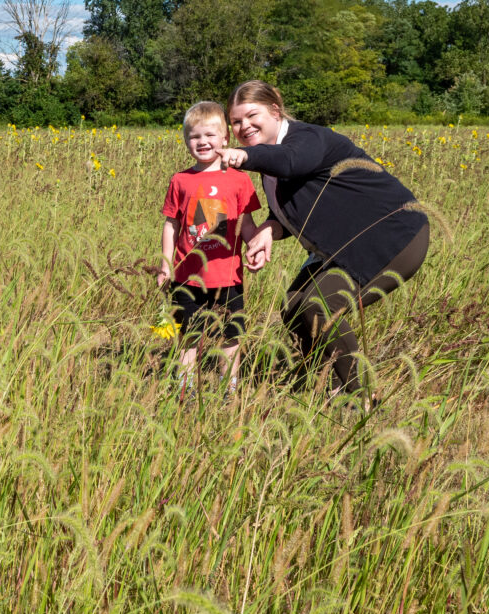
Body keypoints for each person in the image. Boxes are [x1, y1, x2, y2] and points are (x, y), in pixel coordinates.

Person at [219, 80, 429, 405]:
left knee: (319, 305)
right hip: (345, 248)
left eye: (251, 115)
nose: (243, 126)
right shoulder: (270, 164)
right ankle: (326, 387)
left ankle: (362, 397)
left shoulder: (306, 139)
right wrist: (269, 230)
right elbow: (294, 209)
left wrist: (244, 155)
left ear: (275, 110)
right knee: (294, 307)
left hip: (392, 238)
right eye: (236, 121)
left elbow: (292, 161)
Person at [158, 100, 262, 398]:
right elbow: (171, 225)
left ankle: (229, 390)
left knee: (231, 335)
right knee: (188, 336)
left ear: (225, 139)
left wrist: (256, 246)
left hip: (228, 276)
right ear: (186, 141)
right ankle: (185, 390)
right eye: (194, 137)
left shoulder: (240, 180)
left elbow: (246, 223)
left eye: (209, 135)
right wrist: (166, 265)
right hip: (187, 277)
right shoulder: (181, 180)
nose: (202, 142)